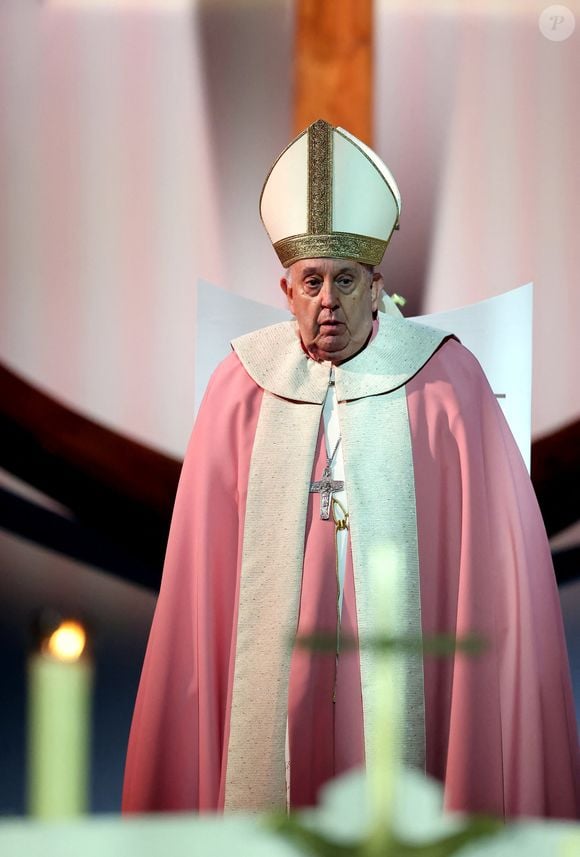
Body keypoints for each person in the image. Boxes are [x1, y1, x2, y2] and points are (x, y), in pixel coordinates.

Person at [122, 119, 579, 818]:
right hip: (281, 665)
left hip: (404, 655)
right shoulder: (240, 386)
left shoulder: (445, 380)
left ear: (377, 285)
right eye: (311, 281)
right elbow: (199, 583)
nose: (328, 300)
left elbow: (496, 573)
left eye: (345, 279)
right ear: (286, 289)